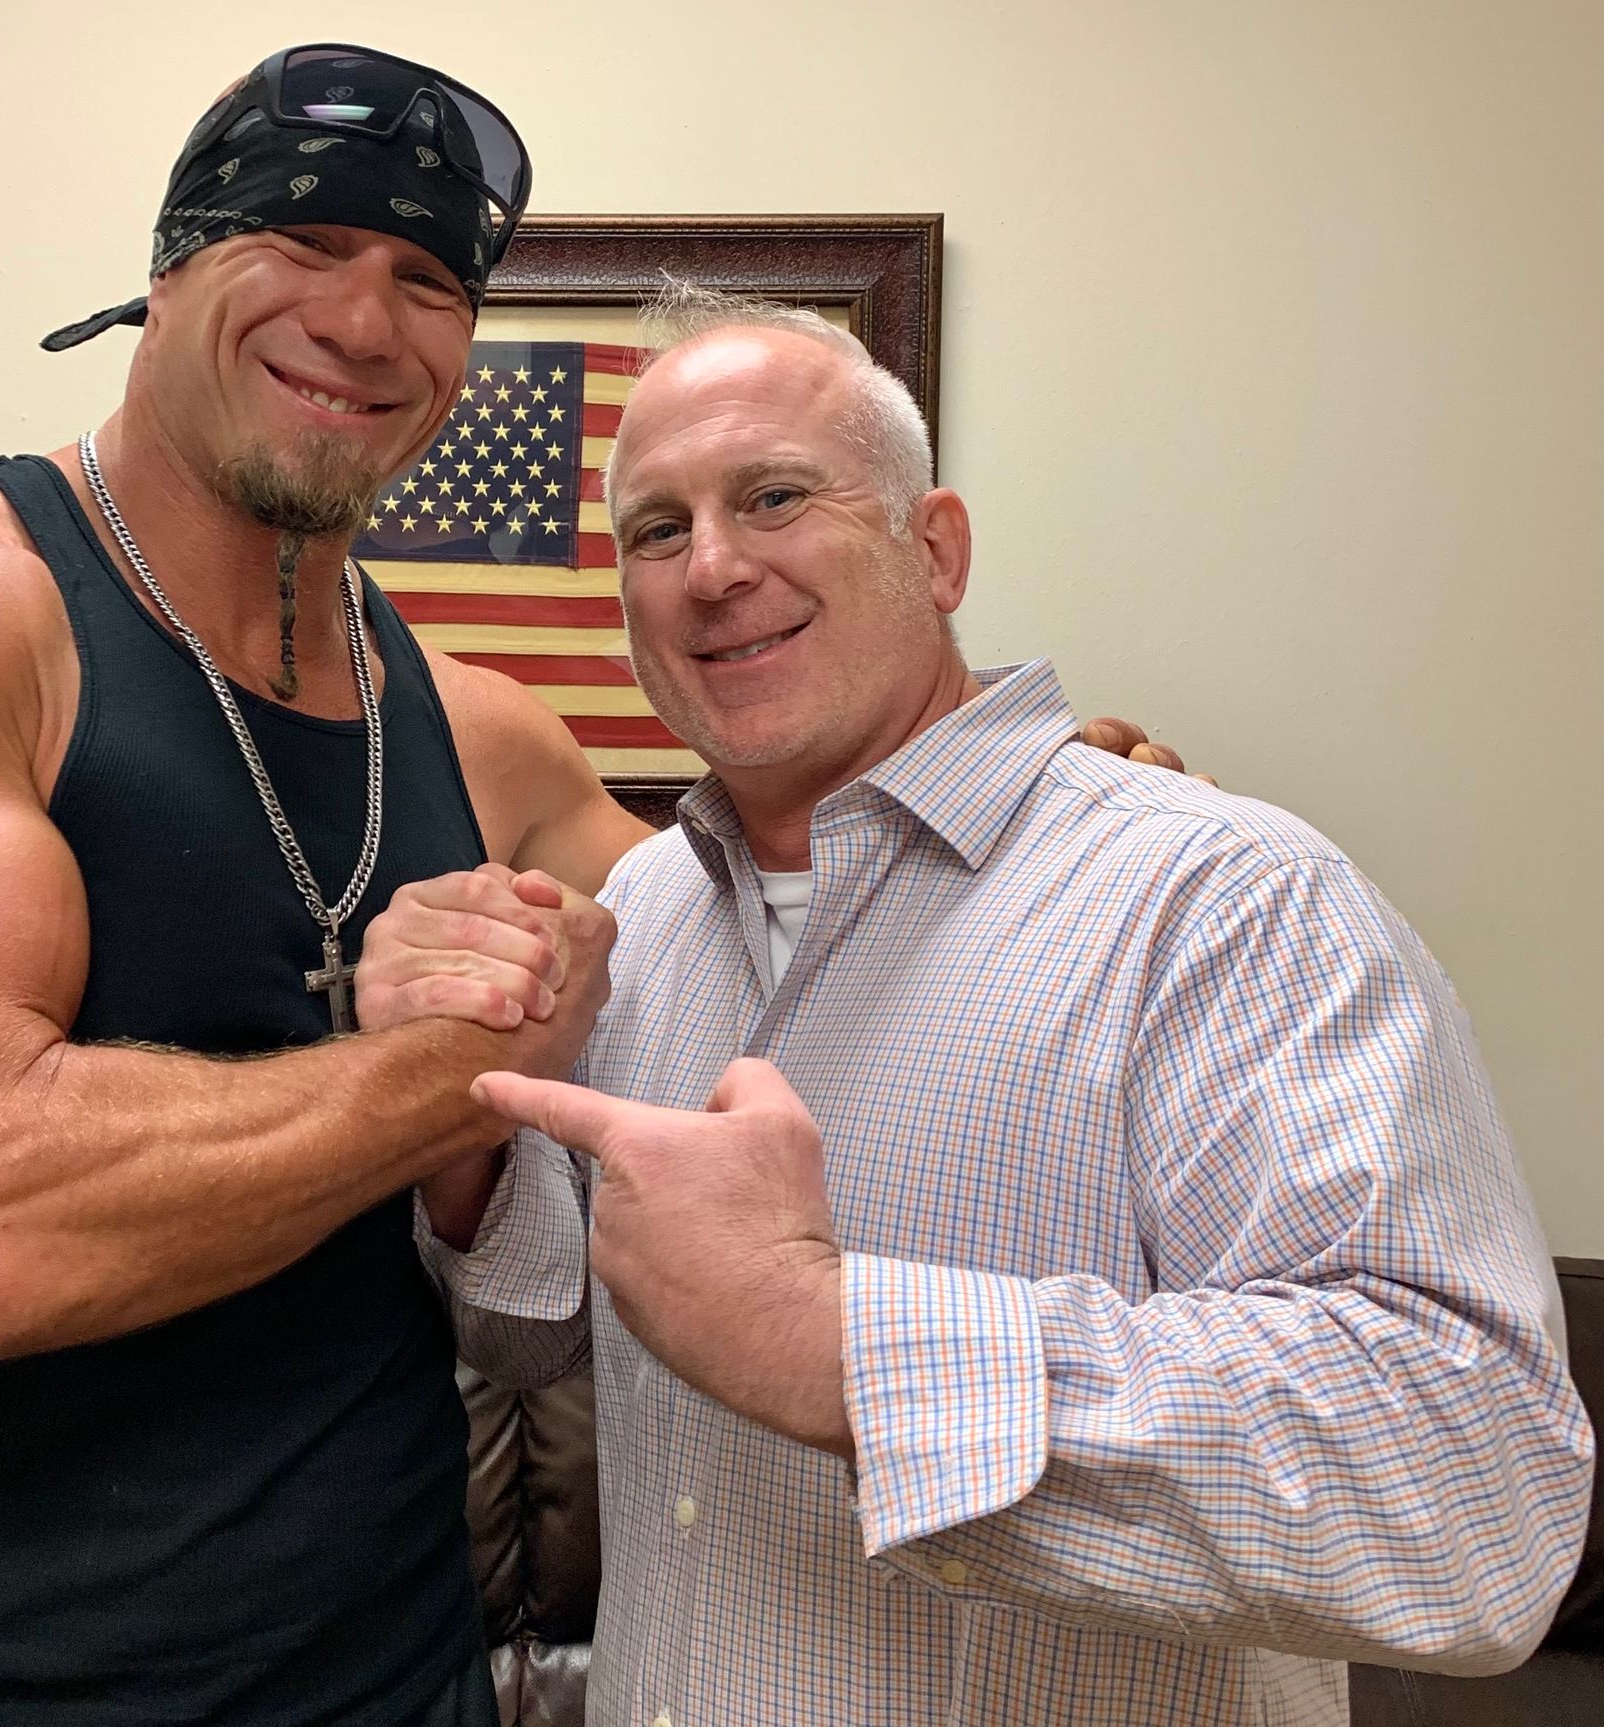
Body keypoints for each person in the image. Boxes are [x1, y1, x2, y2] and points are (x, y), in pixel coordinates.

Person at [0, 45, 1185, 1727]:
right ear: (171, 270)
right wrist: (453, 1076)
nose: (362, 319)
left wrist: (1046, 810)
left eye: (425, 279)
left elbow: (795, 939)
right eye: (304, 245)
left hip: (390, 1670)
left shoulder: (479, 736)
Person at [358, 287, 1595, 1727]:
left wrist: (832, 1339)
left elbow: (1477, 1496)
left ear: (933, 548)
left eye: (772, 497)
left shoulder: (1221, 897)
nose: (710, 569)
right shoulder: (643, 920)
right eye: (656, 529)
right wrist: (461, 1141)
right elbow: (542, 1336)